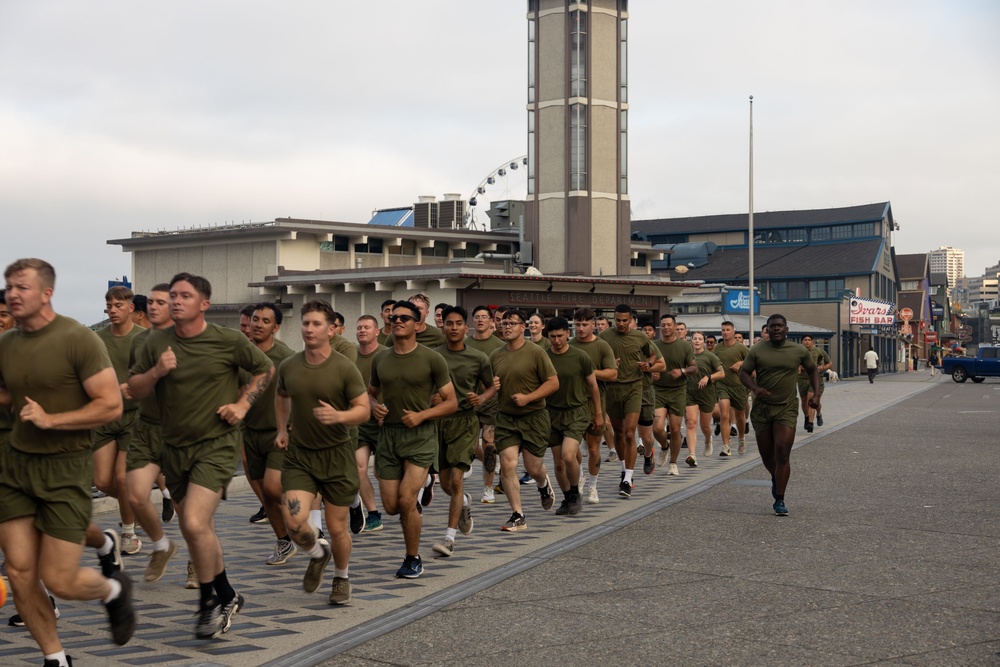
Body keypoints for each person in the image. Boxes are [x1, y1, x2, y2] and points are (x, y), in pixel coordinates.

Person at [0, 258, 135, 666]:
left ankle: (113, 591)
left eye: (22, 286)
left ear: (47, 293)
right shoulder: (6, 344)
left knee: (59, 579)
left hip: (64, 468)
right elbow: (8, 394)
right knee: (20, 572)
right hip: (15, 469)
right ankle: (55, 658)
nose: (12, 294)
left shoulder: (78, 339)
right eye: (9, 286)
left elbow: (110, 405)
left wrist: (51, 419)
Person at [128, 272, 273, 639]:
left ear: (203, 304)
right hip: (172, 447)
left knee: (192, 523)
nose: (176, 301)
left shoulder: (227, 340)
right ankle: (227, 594)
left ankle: (208, 604)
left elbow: (265, 370)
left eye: (185, 296)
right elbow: (136, 388)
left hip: (216, 444)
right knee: (200, 530)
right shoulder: (153, 342)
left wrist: (242, 405)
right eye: (172, 295)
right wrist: (159, 370)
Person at [275, 300, 370, 605]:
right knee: (293, 521)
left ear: (331, 330)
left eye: (316, 324)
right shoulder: (289, 365)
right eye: (305, 323)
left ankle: (341, 577)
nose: (309, 329)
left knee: (337, 527)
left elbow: (364, 411)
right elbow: (281, 395)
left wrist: (339, 417)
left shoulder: (345, 368)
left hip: (337, 455)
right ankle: (318, 553)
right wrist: (281, 428)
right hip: (301, 455)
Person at [369, 300, 457, 578]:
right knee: (392, 507)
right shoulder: (380, 358)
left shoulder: (432, 359)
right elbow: (369, 393)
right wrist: (373, 406)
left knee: (407, 500)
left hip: (420, 436)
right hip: (389, 437)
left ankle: (412, 558)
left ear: (418, 325)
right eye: (394, 317)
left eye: (405, 318)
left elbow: (452, 402)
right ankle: (426, 484)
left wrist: (422, 416)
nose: (397, 321)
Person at [125, 284, 180, 583]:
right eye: (152, 302)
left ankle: (198, 564)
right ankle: (161, 545)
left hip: (182, 431)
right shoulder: (141, 341)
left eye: (162, 302)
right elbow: (135, 382)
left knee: (190, 511)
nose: (153, 307)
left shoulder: (193, 340)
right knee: (134, 494)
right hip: (147, 428)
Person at [739, 314, 819, 517]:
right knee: (767, 455)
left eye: (779, 326)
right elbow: (743, 373)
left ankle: (780, 499)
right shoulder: (756, 350)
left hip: (786, 407)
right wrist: (755, 389)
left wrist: (816, 395)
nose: (776, 329)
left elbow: (813, 371)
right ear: (766, 329)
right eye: (772, 326)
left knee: (782, 451)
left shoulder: (798, 350)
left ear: (786, 329)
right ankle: (777, 477)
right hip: (762, 409)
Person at [430, 306, 495, 556]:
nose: (454, 327)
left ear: (465, 327)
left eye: (458, 323)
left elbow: (491, 387)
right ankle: (464, 502)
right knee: (447, 485)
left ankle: (449, 538)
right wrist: (430, 401)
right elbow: (424, 389)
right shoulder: (433, 356)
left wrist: (481, 398)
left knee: (456, 480)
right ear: (443, 326)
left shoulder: (478, 358)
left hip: (465, 423)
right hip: (439, 424)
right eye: (449, 323)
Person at [490, 309, 559, 531]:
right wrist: (492, 387)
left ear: (523, 327)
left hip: (534, 417)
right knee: (508, 465)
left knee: (533, 466)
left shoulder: (537, 352)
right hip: (507, 419)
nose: (507, 326)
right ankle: (518, 515)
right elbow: (487, 388)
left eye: (512, 323)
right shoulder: (496, 355)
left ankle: (542, 483)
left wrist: (529, 397)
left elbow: (553, 383)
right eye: (504, 323)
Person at [242, 303, 296, 565]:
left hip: (278, 433)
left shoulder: (286, 357)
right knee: (266, 495)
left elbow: (299, 392)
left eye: (265, 321)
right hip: (249, 434)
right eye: (255, 319)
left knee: (275, 488)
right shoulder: (240, 355)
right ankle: (284, 541)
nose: (258, 324)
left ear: (275, 328)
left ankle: (304, 520)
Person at [544, 317, 602, 515]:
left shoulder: (580, 356)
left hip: (577, 412)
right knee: (558, 462)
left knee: (569, 455)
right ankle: (567, 496)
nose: (557, 340)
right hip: (552, 414)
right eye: (552, 337)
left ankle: (576, 492)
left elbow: (593, 386)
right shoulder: (544, 357)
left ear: (568, 334)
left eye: (560, 336)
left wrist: (599, 413)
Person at [599, 304, 657, 498]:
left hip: (634, 387)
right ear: (614, 319)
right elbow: (597, 357)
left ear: (631, 320)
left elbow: (653, 355)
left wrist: (647, 364)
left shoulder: (640, 337)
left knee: (631, 433)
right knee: (619, 432)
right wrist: (608, 364)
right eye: (618, 320)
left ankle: (627, 479)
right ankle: (624, 469)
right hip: (613, 389)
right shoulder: (605, 336)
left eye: (625, 320)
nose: (621, 324)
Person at [570, 308, 618, 504]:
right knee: (571, 450)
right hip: (571, 403)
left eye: (584, 325)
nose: (580, 329)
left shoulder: (602, 346)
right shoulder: (569, 345)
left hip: (595, 403)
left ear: (593, 325)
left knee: (594, 449)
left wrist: (590, 372)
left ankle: (593, 485)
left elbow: (612, 374)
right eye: (577, 325)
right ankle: (579, 474)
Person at [465, 305, 506, 503]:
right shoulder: (465, 344)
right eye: (477, 317)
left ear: (491, 321)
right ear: (472, 322)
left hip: (492, 403)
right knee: (471, 447)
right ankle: (492, 463)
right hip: (469, 403)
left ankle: (488, 488)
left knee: (489, 446)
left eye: (484, 317)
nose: (480, 320)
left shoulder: (499, 345)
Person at [353, 314, 387, 531]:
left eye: (366, 327)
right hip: (360, 424)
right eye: (359, 327)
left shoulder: (386, 355)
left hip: (385, 423)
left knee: (383, 473)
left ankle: (414, 496)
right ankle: (373, 513)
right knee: (358, 468)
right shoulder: (350, 357)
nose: (362, 330)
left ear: (377, 332)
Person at [652, 314, 697, 475]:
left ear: (674, 326)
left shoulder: (684, 346)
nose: (666, 328)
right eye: (663, 325)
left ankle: (673, 463)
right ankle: (664, 446)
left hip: (678, 391)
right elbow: (647, 366)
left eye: (669, 325)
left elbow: (694, 368)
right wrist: (651, 373)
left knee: (676, 429)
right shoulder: (654, 345)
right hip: (658, 390)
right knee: (657, 428)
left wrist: (682, 371)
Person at [683, 332, 725, 466]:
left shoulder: (710, 356)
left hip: (706, 394)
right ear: (691, 340)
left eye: (700, 339)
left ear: (704, 341)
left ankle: (708, 439)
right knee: (691, 422)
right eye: (694, 338)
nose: (697, 341)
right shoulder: (686, 356)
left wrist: (708, 377)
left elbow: (722, 373)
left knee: (705, 426)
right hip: (689, 393)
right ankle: (692, 454)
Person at [713, 320, 749, 456]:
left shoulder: (741, 348)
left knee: (740, 415)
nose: (725, 332)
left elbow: (752, 360)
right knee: (724, 415)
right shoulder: (718, 348)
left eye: (728, 330)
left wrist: (741, 362)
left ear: (733, 331)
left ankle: (741, 438)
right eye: (723, 330)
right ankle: (726, 446)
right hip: (723, 385)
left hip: (739, 386)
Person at [636, 319, 666, 474]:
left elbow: (662, 365)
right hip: (624, 391)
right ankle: (626, 476)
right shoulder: (613, 342)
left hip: (646, 392)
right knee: (625, 434)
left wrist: (648, 367)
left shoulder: (648, 344)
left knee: (647, 436)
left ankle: (648, 454)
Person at [798, 335, 831, 431]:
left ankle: (810, 423)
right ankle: (807, 417)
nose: (807, 342)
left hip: (816, 379)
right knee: (804, 402)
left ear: (812, 342)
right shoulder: (798, 352)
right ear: (802, 342)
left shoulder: (818, 351)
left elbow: (829, 363)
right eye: (805, 340)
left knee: (811, 400)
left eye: (809, 340)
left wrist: (822, 368)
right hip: (802, 379)